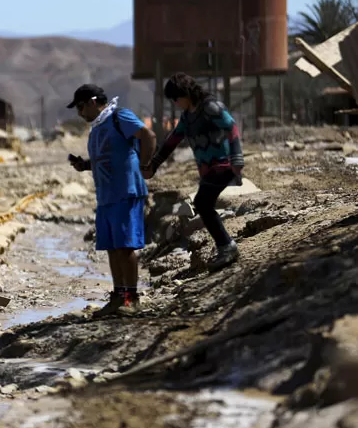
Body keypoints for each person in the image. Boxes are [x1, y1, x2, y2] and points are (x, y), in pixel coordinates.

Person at [66, 84, 157, 317]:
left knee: (125, 247)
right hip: (106, 196)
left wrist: (146, 165)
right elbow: (105, 157)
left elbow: (148, 135)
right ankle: (118, 297)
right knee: (112, 248)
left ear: (94, 101)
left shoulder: (119, 117)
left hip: (125, 192)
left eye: (81, 107)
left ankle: (131, 299)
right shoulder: (97, 128)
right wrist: (84, 165)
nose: (79, 113)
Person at [141, 72, 244, 270]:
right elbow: (172, 140)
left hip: (222, 165)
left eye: (176, 98)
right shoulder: (188, 117)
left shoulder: (210, 107)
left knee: (202, 203)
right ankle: (225, 246)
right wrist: (154, 164)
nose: (175, 102)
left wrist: (237, 158)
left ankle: (227, 247)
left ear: (186, 93)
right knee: (204, 204)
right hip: (207, 169)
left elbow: (231, 127)